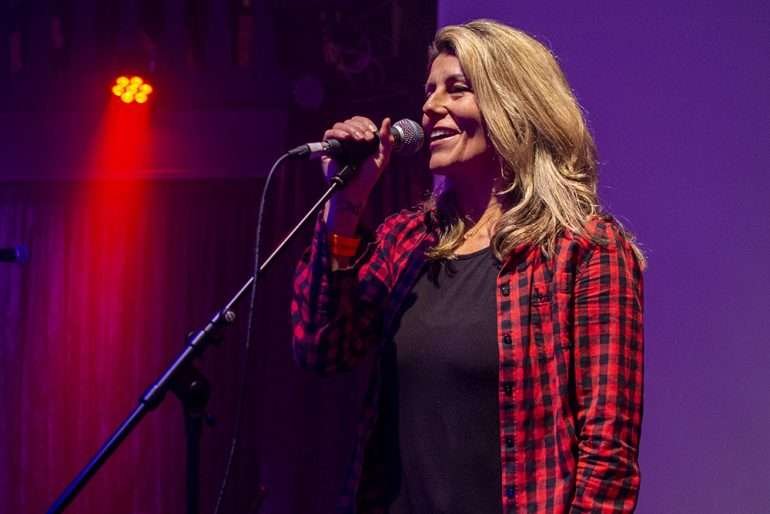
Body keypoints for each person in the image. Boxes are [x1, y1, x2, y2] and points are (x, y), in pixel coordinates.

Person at [291, 19, 644, 514]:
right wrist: (345, 206)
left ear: (514, 105)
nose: (430, 107)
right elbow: (320, 345)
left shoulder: (584, 250)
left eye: (456, 89)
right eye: (429, 91)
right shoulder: (406, 241)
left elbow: (607, 458)